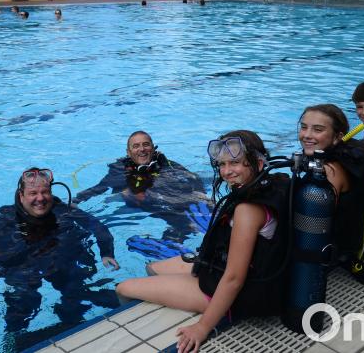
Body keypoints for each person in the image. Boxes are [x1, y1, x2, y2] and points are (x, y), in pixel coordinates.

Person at [116, 131, 291, 353]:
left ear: (257, 162)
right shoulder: (275, 183)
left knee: (124, 288)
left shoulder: (248, 211)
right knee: (153, 267)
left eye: (235, 163)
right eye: (222, 164)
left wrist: (202, 327)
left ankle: (135, 337)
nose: (226, 172)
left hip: (237, 293)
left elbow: (234, 278)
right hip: (231, 271)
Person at [0, 168, 120, 345]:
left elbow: (97, 226)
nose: (40, 198)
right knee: (22, 301)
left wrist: (106, 253)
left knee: (74, 290)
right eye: (33, 193)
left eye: (45, 192)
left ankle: (74, 324)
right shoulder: (2, 221)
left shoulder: (62, 210)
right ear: (21, 196)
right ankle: (12, 337)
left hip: (58, 259)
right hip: (22, 266)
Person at [73, 131, 209, 247]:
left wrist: (201, 194)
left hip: (167, 197)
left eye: (146, 144)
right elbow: (100, 188)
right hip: (140, 200)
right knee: (181, 220)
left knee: (192, 214)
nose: (142, 149)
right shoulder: (119, 170)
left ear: (153, 148)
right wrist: (76, 201)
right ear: (129, 152)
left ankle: (176, 237)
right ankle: (176, 237)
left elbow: (193, 178)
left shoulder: (166, 164)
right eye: (136, 146)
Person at [298, 104, 364, 263]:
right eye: (304, 127)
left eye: (318, 130)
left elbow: (315, 224)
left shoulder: (329, 171)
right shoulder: (345, 157)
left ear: (337, 137)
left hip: (328, 253)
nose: (307, 135)